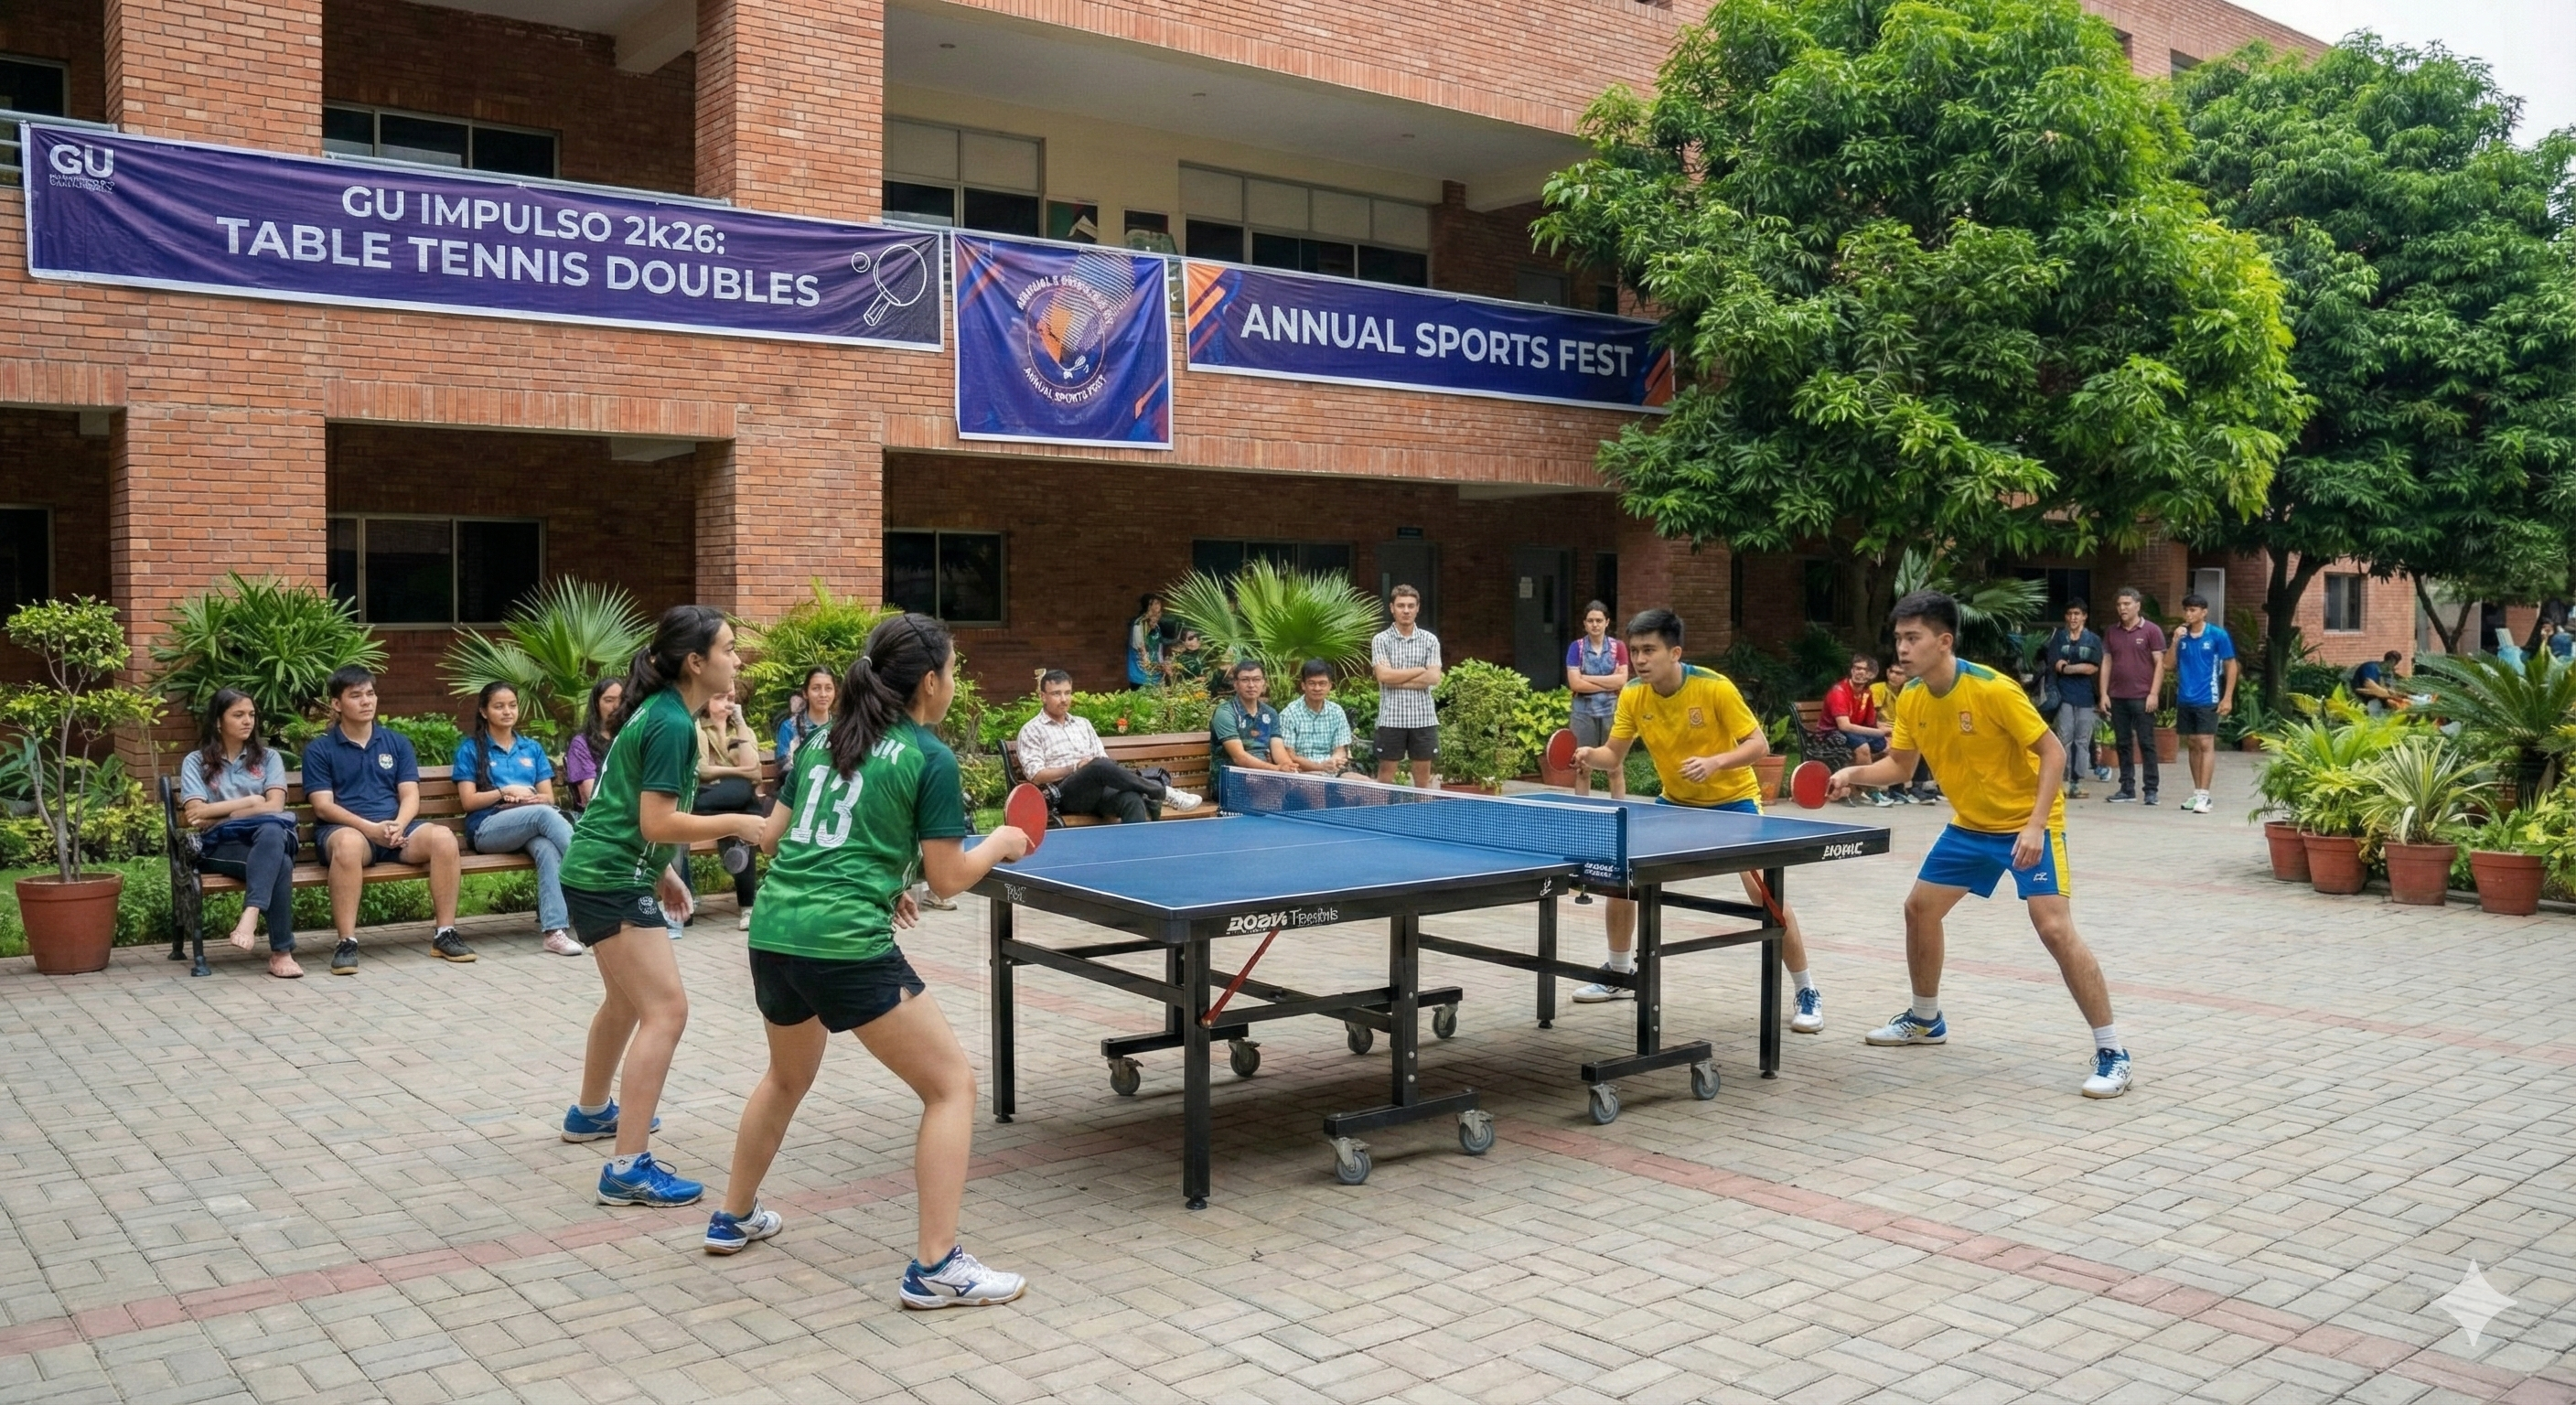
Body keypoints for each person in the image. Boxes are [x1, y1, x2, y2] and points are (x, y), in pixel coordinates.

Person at [708, 613, 1035, 1310]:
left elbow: (775, 841)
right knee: (951, 1087)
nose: (956, 682)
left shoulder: (825, 739)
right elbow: (949, 878)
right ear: (928, 683)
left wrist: (884, 881)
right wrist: (1002, 841)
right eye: (953, 670)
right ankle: (936, 1265)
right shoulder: (929, 756)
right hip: (844, 943)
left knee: (786, 1076)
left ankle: (733, 1215)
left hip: (774, 932)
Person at [1826, 590, 2131, 1099]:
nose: (1901, 649)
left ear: (1944, 641)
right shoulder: (1915, 697)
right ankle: (1926, 1020)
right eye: (1898, 638)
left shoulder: (1994, 690)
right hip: (1970, 826)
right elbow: (1900, 766)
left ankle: (2113, 1052)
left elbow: (2053, 753)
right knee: (1919, 910)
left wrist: (2035, 825)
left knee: (2054, 929)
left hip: (2027, 823)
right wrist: (1855, 772)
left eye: (1912, 638)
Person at [558, 606, 768, 1208]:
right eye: (729, 648)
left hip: (606, 871)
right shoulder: (674, 723)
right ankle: (627, 1169)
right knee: (667, 1011)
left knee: (627, 1003)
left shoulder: (661, 712)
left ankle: (591, 1112)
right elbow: (655, 818)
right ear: (696, 662)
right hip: (608, 877)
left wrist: (658, 875)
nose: (738, 658)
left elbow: (630, 811)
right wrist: (740, 823)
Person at [1567, 608, 1825, 1034]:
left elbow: (1759, 744)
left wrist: (1715, 762)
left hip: (1733, 802)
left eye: (1650, 650)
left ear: (1676, 652)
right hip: (1676, 802)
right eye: (1634, 651)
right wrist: (1588, 756)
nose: (1641, 660)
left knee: (1765, 894)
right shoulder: (1633, 694)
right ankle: (1618, 974)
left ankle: (1806, 990)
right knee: (1621, 873)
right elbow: (1613, 755)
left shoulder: (1714, 687)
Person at [304, 666, 470, 973]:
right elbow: (323, 806)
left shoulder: (396, 743)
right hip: (348, 831)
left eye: (370, 693)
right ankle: (346, 942)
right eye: (356, 696)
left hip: (396, 831)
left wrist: (398, 825)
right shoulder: (320, 750)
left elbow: (410, 796)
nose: (366, 701)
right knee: (349, 844)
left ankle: (445, 933)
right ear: (337, 705)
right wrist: (371, 829)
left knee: (444, 838)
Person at [178, 688, 301, 979]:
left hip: (263, 840)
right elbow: (195, 814)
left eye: (251, 714)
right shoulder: (196, 762)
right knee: (278, 858)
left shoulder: (268, 758)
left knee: (272, 833)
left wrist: (226, 812)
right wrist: (251, 801)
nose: (248, 721)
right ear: (219, 722)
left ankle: (250, 914)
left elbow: (275, 806)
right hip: (220, 846)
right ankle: (282, 953)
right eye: (238, 715)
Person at [452, 681, 579, 956]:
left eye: (512, 705)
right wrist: (504, 792)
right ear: (485, 712)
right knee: (543, 816)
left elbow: (548, 798)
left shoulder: (530, 748)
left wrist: (530, 799)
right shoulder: (471, 749)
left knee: (546, 847)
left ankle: (554, 932)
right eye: (499, 706)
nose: (507, 711)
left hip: (530, 822)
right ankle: (592, 877)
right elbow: (469, 802)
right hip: (488, 828)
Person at [1016, 669, 1199, 822]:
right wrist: (1074, 767)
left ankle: (1138, 854)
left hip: (1097, 790)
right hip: (1062, 794)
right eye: (1056, 694)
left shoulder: (1082, 724)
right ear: (1043, 696)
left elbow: (1102, 760)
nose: (1064, 699)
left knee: (1131, 799)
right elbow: (1036, 775)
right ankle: (1163, 793)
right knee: (1097, 766)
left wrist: (1093, 767)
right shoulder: (1032, 730)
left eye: (1067, 692)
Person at [693, 686, 770, 929]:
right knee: (743, 791)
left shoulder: (741, 731)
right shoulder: (697, 727)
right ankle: (748, 906)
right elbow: (702, 771)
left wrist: (740, 723)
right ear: (706, 702)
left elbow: (755, 771)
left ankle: (747, 909)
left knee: (740, 826)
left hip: (726, 809)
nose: (727, 703)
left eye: (731, 698)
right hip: (704, 801)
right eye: (720, 697)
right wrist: (740, 774)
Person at [2166, 593, 2238, 815]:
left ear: (2204, 612)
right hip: (2185, 698)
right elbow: (2167, 665)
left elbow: (2231, 665)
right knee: (2193, 744)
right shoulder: (2182, 636)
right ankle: (2198, 793)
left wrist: (2227, 697)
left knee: (2205, 743)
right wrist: (2175, 640)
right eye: (2186, 610)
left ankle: (2205, 796)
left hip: (2208, 696)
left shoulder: (2217, 635)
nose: (2189, 614)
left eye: (2194, 610)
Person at [2100, 586, 2165, 806]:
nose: (2122, 608)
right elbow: (2107, 662)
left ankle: (2151, 790)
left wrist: (2154, 693)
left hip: (2142, 696)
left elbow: (2160, 664)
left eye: (2127, 604)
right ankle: (2127, 787)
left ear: (2138, 605)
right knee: (2123, 743)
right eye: (2119, 604)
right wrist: (2103, 694)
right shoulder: (2112, 632)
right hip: (2118, 696)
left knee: (2147, 743)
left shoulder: (2151, 631)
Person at [1372, 585, 1443, 787]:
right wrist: (1419, 669)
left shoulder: (1430, 641)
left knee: (1423, 780)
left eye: (1411, 606)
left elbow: (1433, 678)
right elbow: (1384, 675)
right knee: (1385, 777)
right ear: (1392, 608)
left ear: (1418, 608)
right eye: (1401, 605)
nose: (1406, 610)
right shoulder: (1381, 640)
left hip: (1424, 719)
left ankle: (1423, 817)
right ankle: (1380, 817)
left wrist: (1397, 680)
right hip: (1391, 718)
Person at [2041, 601, 2107, 802]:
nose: (2073, 618)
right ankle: (2064, 780)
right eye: (2070, 614)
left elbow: (2093, 668)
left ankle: (2078, 781)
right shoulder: (2059, 638)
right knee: (2064, 738)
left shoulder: (2093, 639)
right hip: (2063, 695)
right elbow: (2055, 664)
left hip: (2087, 696)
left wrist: (2068, 667)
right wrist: (2077, 667)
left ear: (2085, 616)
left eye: (2077, 614)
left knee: (2082, 740)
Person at [1562, 601, 1629, 799]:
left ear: (1607, 622)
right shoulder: (1576, 648)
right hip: (1583, 714)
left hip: (1611, 712)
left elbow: (1622, 681)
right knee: (1583, 767)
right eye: (1590, 621)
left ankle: (1619, 811)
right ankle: (1583, 814)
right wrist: (1609, 683)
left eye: (1599, 620)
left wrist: (1587, 678)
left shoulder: (1619, 647)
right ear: (1584, 624)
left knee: (1615, 766)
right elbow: (1575, 684)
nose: (1595, 625)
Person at [1823, 653, 1894, 806]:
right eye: (1857, 668)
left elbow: (1870, 723)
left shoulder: (1867, 693)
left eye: (1865, 670)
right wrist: (1878, 732)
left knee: (1888, 746)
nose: (1860, 672)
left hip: (1854, 732)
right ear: (1852, 670)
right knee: (1863, 748)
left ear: (1871, 675)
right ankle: (1872, 791)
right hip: (1831, 733)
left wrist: (1887, 730)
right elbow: (1844, 725)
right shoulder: (1839, 691)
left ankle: (1858, 784)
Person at [1210, 660, 1289, 775]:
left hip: (1267, 775)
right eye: (1245, 680)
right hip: (1232, 778)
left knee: (1304, 788)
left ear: (1263, 683)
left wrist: (1287, 767)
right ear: (1236, 684)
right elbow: (1239, 758)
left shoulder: (1270, 713)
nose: (1251, 685)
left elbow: (1278, 749)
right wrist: (1277, 769)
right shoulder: (1225, 713)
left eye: (1256, 679)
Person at [1277, 660, 1355, 774]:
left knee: (1367, 784)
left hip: (1331, 772)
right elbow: (1289, 755)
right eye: (1312, 683)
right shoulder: (1289, 714)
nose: (1317, 688)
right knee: (1317, 784)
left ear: (1330, 686)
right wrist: (1319, 767)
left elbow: (1340, 750)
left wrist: (1334, 760)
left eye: (1322, 683)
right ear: (1303, 685)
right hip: (1301, 773)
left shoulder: (1337, 712)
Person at [564, 675, 622, 811]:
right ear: (597, 704)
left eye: (622, 700)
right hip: (600, 815)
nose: (616, 706)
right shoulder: (581, 743)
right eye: (609, 700)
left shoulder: (632, 734)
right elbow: (591, 796)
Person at [775, 666, 837, 775]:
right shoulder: (790, 727)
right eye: (816, 688)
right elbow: (784, 766)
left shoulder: (840, 727)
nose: (823, 694)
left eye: (828, 688)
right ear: (805, 693)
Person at [1125, 595, 1173, 687]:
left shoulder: (1157, 627)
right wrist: (1147, 662)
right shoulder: (1139, 624)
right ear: (1148, 606)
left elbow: (1159, 647)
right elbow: (1139, 645)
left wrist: (1161, 663)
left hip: (1156, 669)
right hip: (1141, 669)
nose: (1157, 606)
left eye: (1158, 603)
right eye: (1154, 603)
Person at [2350, 649, 2407, 713]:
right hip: (2365, 697)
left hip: (2380, 697)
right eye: (2395, 663)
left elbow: (2390, 687)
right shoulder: (2371, 667)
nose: (2394, 666)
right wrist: (2394, 695)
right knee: (2376, 704)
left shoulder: (2387, 673)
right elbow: (2370, 687)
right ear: (2391, 661)